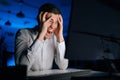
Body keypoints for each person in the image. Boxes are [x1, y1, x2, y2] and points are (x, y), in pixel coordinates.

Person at [15, 3, 68, 71]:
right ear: (40, 19)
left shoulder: (55, 38)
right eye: (49, 21)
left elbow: (63, 66)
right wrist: (41, 35)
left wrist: (60, 36)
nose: (52, 26)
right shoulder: (23, 33)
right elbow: (21, 68)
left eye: (56, 22)